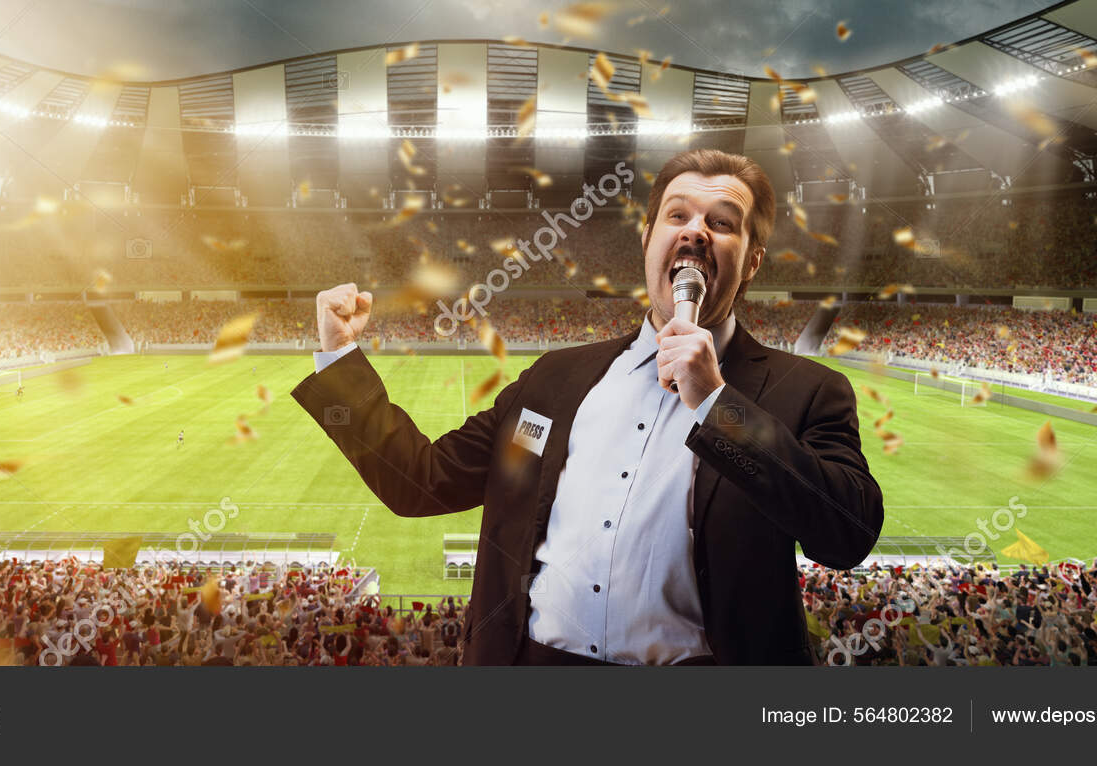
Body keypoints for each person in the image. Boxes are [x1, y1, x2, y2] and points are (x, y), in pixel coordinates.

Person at [292, 149, 883, 665]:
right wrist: (340, 359)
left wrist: (718, 405)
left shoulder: (806, 390)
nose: (696, 231)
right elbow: (420, 483)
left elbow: (847, 534)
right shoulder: (556, 378)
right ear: (647, 237)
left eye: (722, 222)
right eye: (677, 215)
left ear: (752, 259)